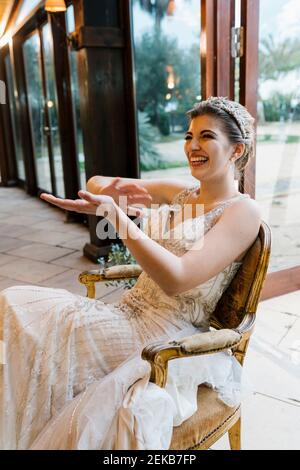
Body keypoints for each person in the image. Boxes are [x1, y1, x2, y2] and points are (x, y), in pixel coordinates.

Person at [0, 97, 261, 450]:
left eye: (206, 137)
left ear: (236, 151)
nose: (192, 146)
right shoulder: (184, 194)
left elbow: (178, 277)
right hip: (125, 312)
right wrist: (107, 190)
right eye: (188, 136)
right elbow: (96, 182)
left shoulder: (243, 213)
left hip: (161, 336)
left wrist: (120, 220)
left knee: (28, 322)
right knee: (17, 312)